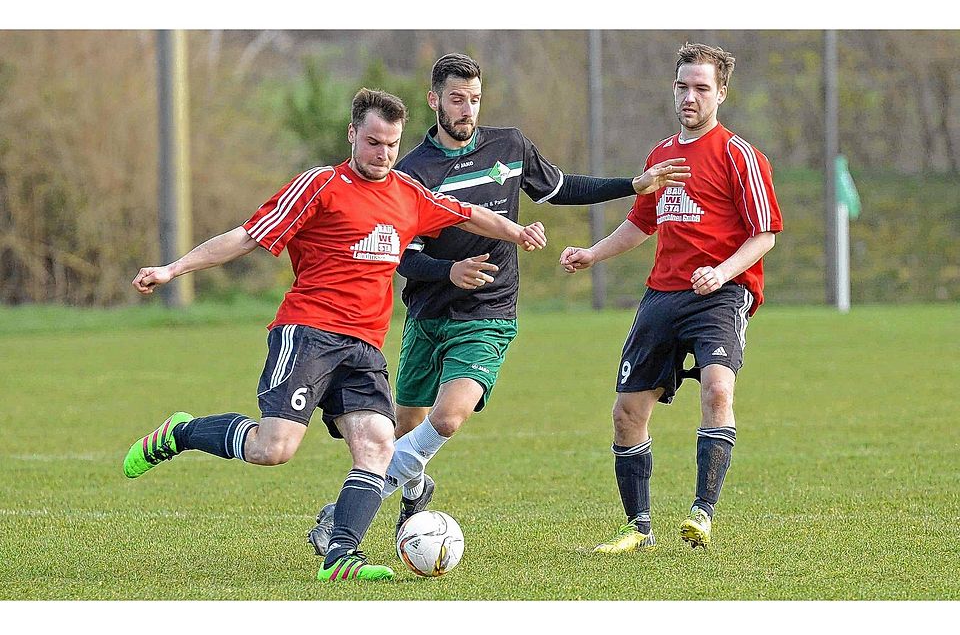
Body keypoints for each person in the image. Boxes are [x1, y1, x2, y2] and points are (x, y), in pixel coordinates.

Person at [123, 87, 547, 582]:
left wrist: (516, 233)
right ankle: (182, 432)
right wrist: (174, 269)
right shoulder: (320, 185)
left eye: (390, 144)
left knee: (378, 445)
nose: (383, 154)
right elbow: (245, 235)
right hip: (308, 333)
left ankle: (341, 555)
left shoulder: (408, 194)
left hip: (364, 346)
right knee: (274, 449)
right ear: (352, 135)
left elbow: (467, 213)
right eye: (372, 143)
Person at [307, 53, 690, 556]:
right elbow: (400, 255)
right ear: (434, 101)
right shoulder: (411, 172)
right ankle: (416, 488)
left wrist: (631, 185)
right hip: (429, 315)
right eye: (457, 100)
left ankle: (341, 519)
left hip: (488, 313)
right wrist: (449, 272)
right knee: (406, 432)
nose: (467, 110)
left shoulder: (508, 146)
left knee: (447, 418)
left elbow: (560, 187)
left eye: (474, 100)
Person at [559, 43, 782, 552]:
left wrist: (721, 273)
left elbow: (764, 233)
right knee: (626, 412)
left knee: (718, 390)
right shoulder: (660, 156)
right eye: (683, 86)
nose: (690, 96)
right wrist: (593, 254)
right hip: (663, 294)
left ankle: (702, 512)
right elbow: (642, 222)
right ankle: (637, 527)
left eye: (701, 88)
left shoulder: (737, 155)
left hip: (720, 295)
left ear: (721, 93)